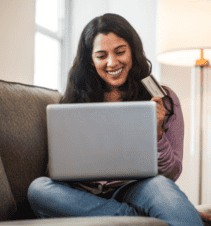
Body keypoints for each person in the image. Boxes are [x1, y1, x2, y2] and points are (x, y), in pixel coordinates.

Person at [27, 13, 207, 226]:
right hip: (83, 192)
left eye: (120, 52)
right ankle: (134, 218)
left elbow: (171, 172)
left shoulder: (163, 99)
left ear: (133, 50)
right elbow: (54, 171)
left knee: (164, 191)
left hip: (138, 187)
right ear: (90, 61)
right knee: (38, 189)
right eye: (101, 55)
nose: (112, 62)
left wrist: (157, 132)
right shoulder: (74, 101)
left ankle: (124, 217)